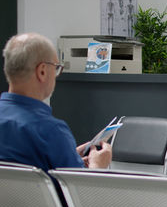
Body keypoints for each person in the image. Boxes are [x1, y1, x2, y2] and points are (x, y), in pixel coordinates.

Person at [0, 32, 112, 170]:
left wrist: (69, 155)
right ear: (42, 71)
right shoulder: (50, 131)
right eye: (56, 68)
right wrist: (98, 166)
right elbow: (82, 190)